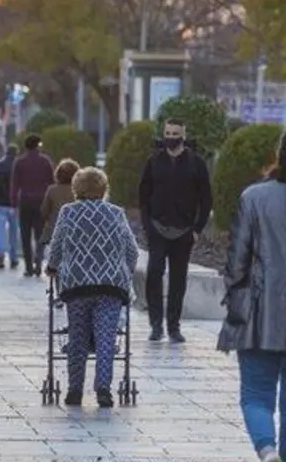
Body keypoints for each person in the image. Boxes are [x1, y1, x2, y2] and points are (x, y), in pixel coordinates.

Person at [218, 131, 286, 462]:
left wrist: (234, 298)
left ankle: (267, 449)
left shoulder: (254, 197)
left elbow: (237, 261)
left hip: (259, 314)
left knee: (256, 394)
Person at [45, 167, 138, 409]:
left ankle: (75, 390)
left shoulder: (68, 212)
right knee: (106, 337)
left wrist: (52, 267)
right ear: (103, 188)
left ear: (77, 188)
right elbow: (132, 250)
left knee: (78, 337)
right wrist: (124, 271)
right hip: (111, 287)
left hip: (77, 286)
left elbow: (57, 245)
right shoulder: (116, 213)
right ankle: (103, 388)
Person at [138, 118, 212, 343]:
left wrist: (197, 229)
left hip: (184, 230)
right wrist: (147, 225)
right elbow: (143, 196)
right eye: (167, 133)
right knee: (154, 274)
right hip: (157, 228)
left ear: (183, 135)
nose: (170, 138)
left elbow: (206, 199)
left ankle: (173, 326)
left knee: (178, 279)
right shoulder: (153, 161)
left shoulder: (196, 163)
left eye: (175, 134)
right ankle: (155, 325)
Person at [10, 134, 55, 278]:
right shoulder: (45, 161)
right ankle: (38, 262)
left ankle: (28, 267)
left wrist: (13, 202)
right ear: (38, 145)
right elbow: (52, 182)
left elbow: (15, 185)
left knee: (25, 235)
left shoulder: (19, 162)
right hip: (41, 202)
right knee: (40, 235)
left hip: (25, 202)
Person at [40, 158, 80, 249]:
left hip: (54, 230)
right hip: (74, 231)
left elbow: (44, 212)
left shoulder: (52, 190)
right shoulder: (78, 191)